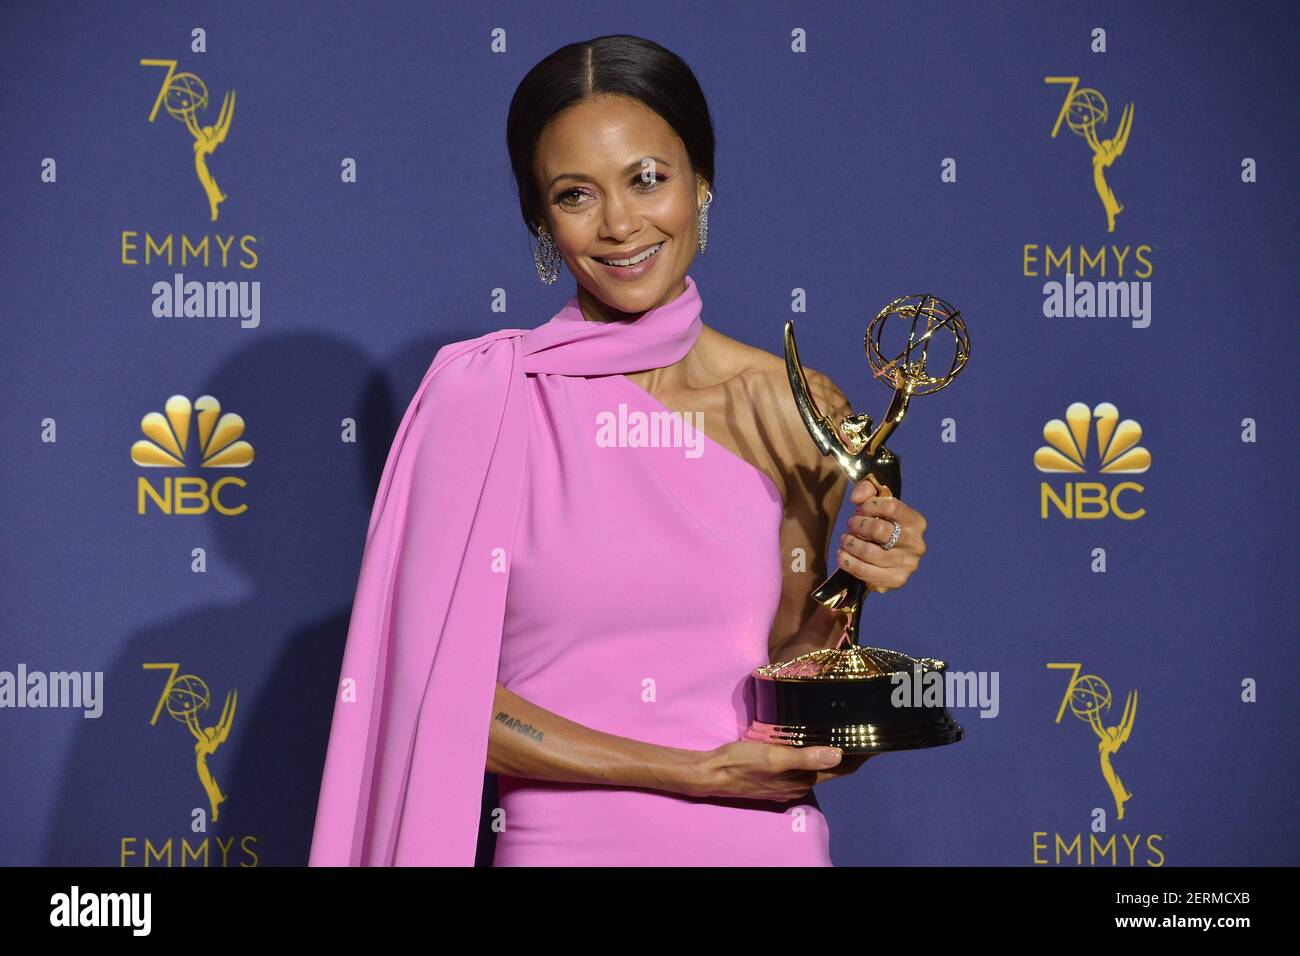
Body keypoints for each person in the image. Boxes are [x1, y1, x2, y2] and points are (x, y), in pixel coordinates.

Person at [308, 34, 929, 868]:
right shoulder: (485, 399)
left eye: (648, 178)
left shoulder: (794, 405)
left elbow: (790, 671)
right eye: (575, 194)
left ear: (700, 183)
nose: (620, 225)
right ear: (540, 219)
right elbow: (437, 700)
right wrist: (690, 773)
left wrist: (856, 578)